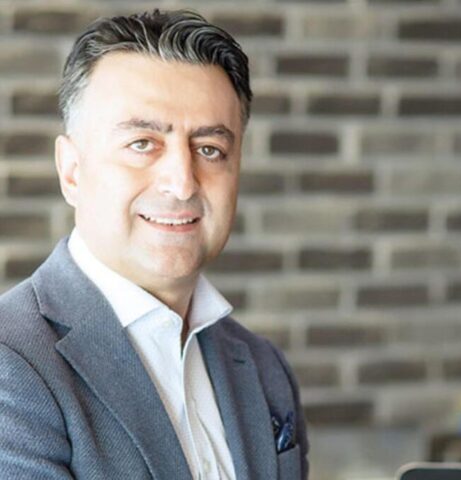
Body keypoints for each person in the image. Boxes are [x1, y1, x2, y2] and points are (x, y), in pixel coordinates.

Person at [0, 9, 308, 480]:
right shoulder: (12, 363)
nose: (182, 183)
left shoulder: (264, 367)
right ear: (72, 171)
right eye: (143, 143)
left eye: (210, 149)